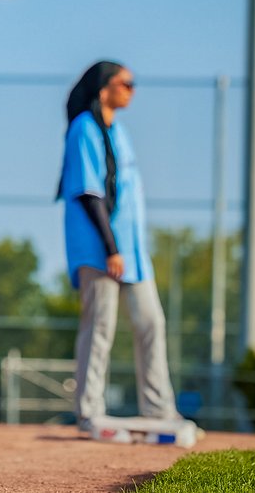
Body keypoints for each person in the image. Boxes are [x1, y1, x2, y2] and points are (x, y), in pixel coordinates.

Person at [57, 61, 178, 433]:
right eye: (126, 83)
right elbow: (89, 193)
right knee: (100, 326)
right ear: (103, 88)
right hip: (100, 248)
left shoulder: (119, 132)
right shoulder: (84, 129)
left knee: (151, 323)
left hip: (132, 252)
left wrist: (126, 248)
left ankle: (159, 410)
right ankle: (89, 410)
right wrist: (111, 249)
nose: (132, 89)